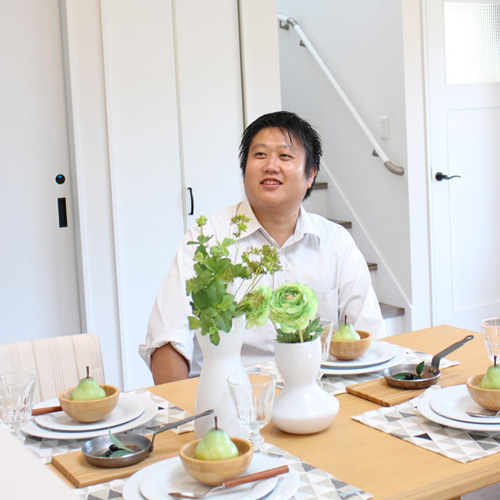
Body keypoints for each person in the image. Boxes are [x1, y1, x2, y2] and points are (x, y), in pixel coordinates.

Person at [139, 111, 388, 384]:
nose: (270, 165)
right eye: (259, 155)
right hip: (228, 395)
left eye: (285, 156)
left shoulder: (336, 243)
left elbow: (370, 336)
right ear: (244, 169)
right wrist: (187, 407)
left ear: (310, 175)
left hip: (320, 393)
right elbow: (168, 338)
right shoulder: (208, 238)